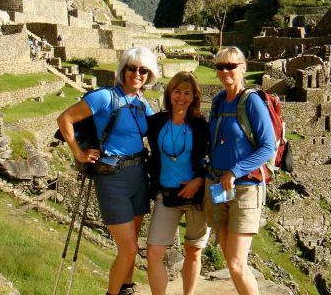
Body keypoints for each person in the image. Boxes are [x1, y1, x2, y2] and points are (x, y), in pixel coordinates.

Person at [57, 46, 159, 295]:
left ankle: (127, 289)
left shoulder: (141, 104)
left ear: (150, 75)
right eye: (132, 68)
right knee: (129, 249)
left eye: (143, 70)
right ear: (123, 70)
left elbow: (157, 130)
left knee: (132, 244)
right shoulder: (104, 97)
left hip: (138, 176)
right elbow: (65, 119)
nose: (137, 73)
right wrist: (78, 153)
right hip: (112, 177)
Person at [205, 46, 274, 295]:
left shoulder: (252, 102)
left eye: (231, 66)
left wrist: (235, 171)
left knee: (236, 263)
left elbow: (268, 147)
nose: (225, 71)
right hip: (219, 186)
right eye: (220, 66)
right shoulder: (218, 101)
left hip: (245, 187)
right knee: (228, 257)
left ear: (242, 67)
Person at [146, 72, 210, 295]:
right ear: (168, 93)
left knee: (193, 250)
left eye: (187, 93)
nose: (181, 97)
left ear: (194, 97)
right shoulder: (155, 123)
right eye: (177, 91)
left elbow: (213, 159)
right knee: (154, 252)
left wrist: (199, 180)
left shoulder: (202, 126)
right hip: (166, 196)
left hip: (196, 198)